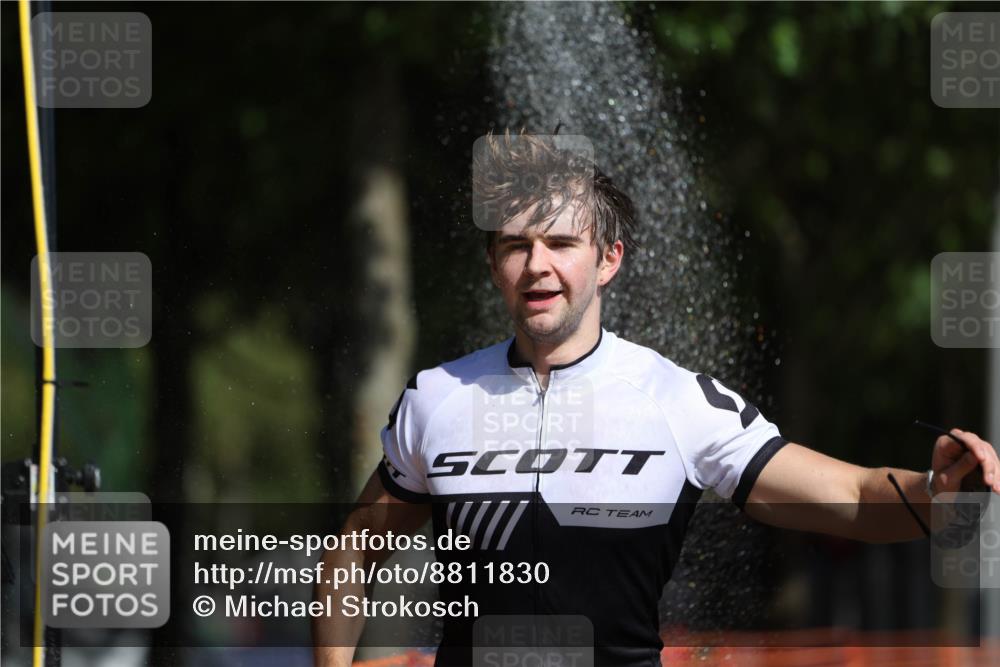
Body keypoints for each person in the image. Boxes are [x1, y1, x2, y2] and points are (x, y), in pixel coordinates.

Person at [313, 132, 1000, 667]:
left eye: (560, 242)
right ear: (494, 263)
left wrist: (938, 492)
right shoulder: (437, 398)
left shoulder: (678, 399)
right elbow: (352, 554)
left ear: (608, 258)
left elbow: (848, 495)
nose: (538, 264)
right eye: (515, 245)